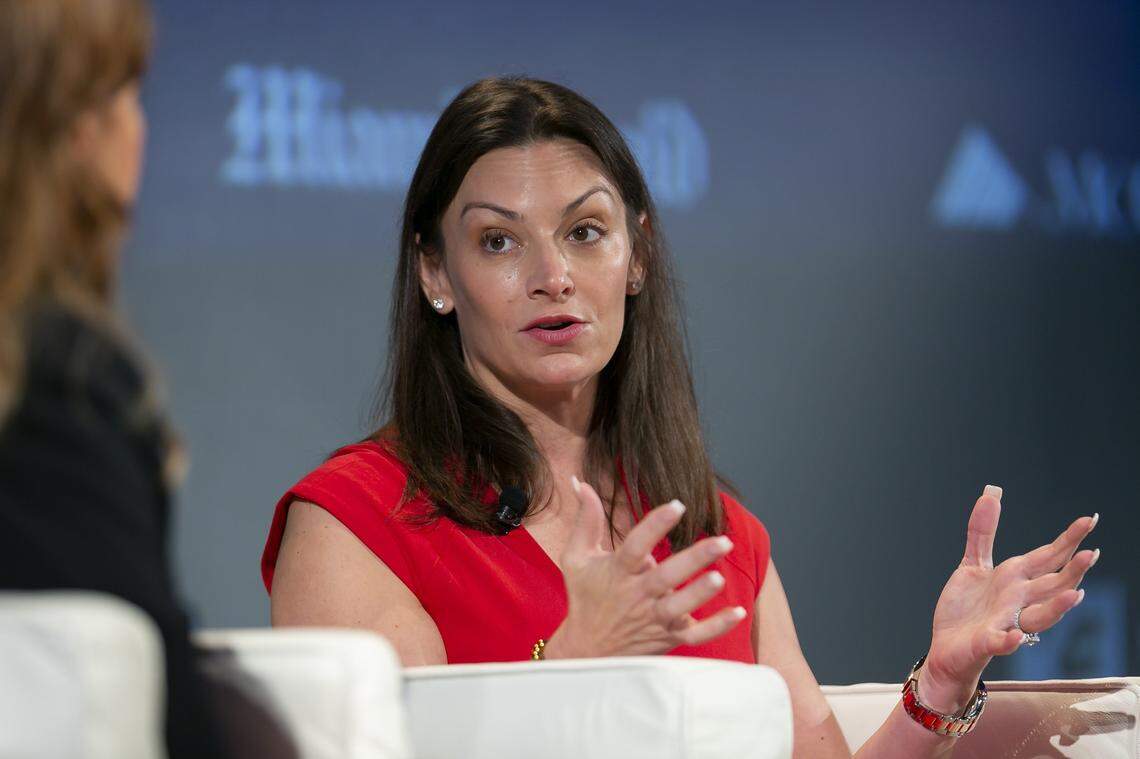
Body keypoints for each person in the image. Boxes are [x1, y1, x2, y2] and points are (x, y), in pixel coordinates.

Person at [262, 77, 1099, 757]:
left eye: (586, 231)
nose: (553, 274)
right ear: (434, 274)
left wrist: (940, 684)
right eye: (498, 242)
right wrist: (569, 665)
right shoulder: (356, 520)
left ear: (638, 255)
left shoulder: (713, 529)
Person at [0, 1, 228, 756]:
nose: (141, 129)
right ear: (72, 130)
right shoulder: (54, 381)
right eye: (128, 95)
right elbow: (160, 701)